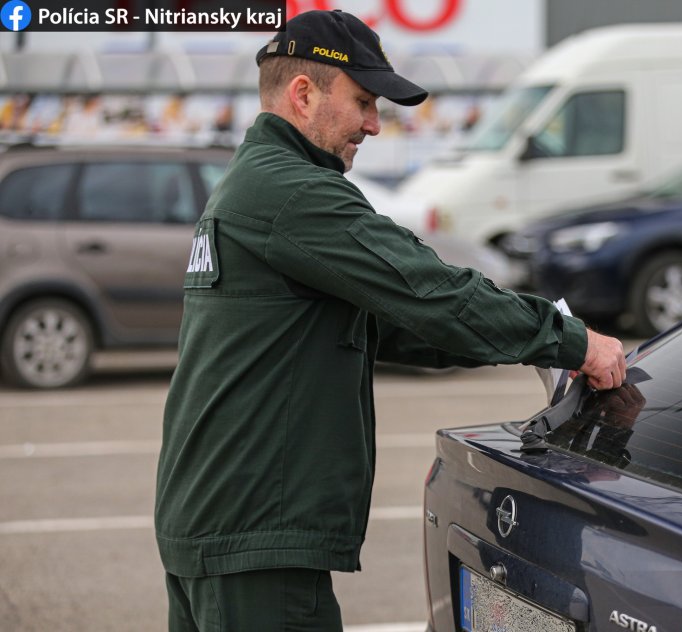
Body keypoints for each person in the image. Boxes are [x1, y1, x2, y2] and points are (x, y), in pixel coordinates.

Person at [154, 9, 626, 631]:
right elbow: (430, 291)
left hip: (215, 522)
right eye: (363, 101)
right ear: (303, 94)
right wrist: (572, 341)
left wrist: (522, 344)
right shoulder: (295, 194)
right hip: (255, 537)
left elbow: (392, 323)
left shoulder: (251, 183)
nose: (374, 124)